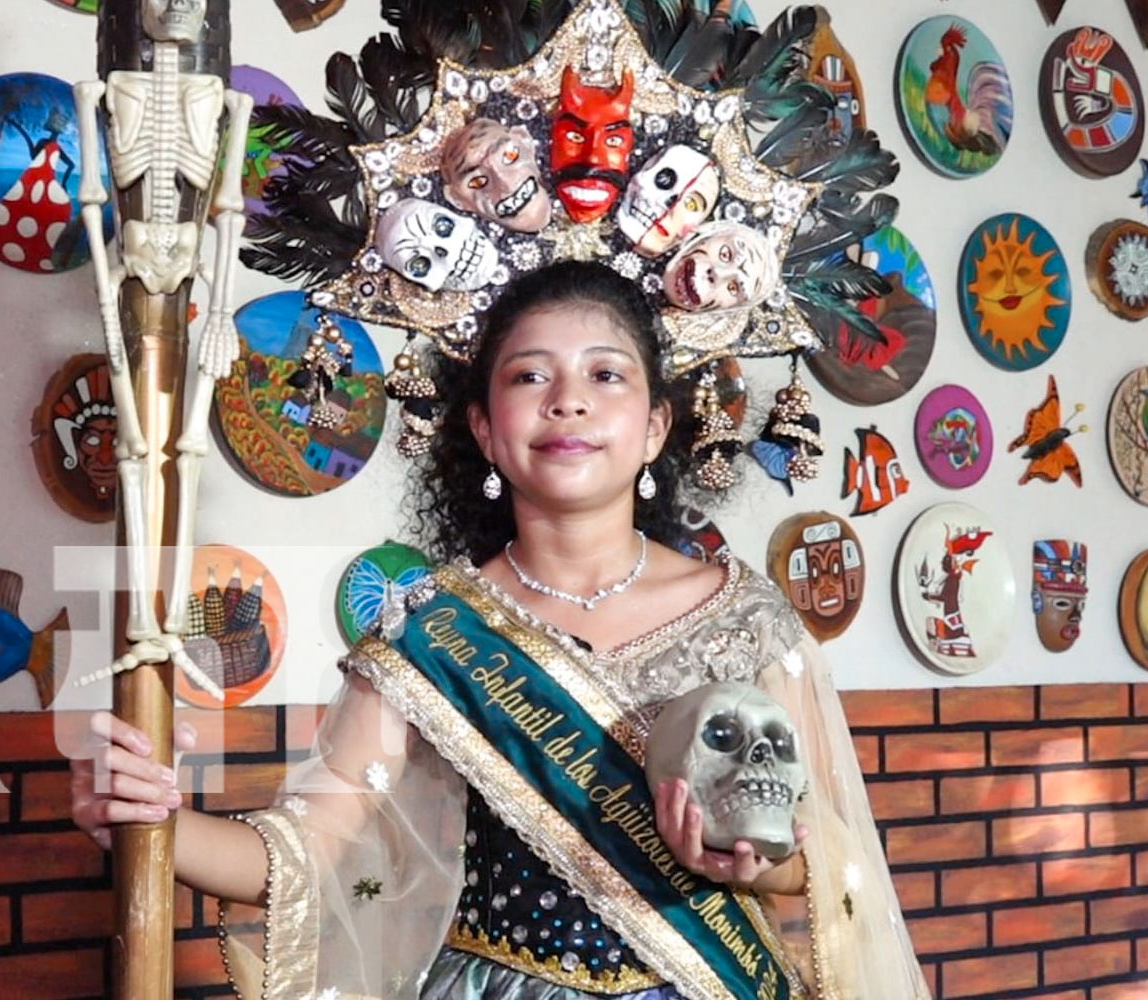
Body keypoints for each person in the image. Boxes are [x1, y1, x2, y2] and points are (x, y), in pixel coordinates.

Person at [72, 260, 930, 1000]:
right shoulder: (428, 630)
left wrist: (747, 863)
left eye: (606, 375)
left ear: (656, 426)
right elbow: (308, 852)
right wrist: (154, 823)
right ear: (483, 428)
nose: (568, 403)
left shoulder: (746, 621)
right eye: (528, 377)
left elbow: (825, 863)